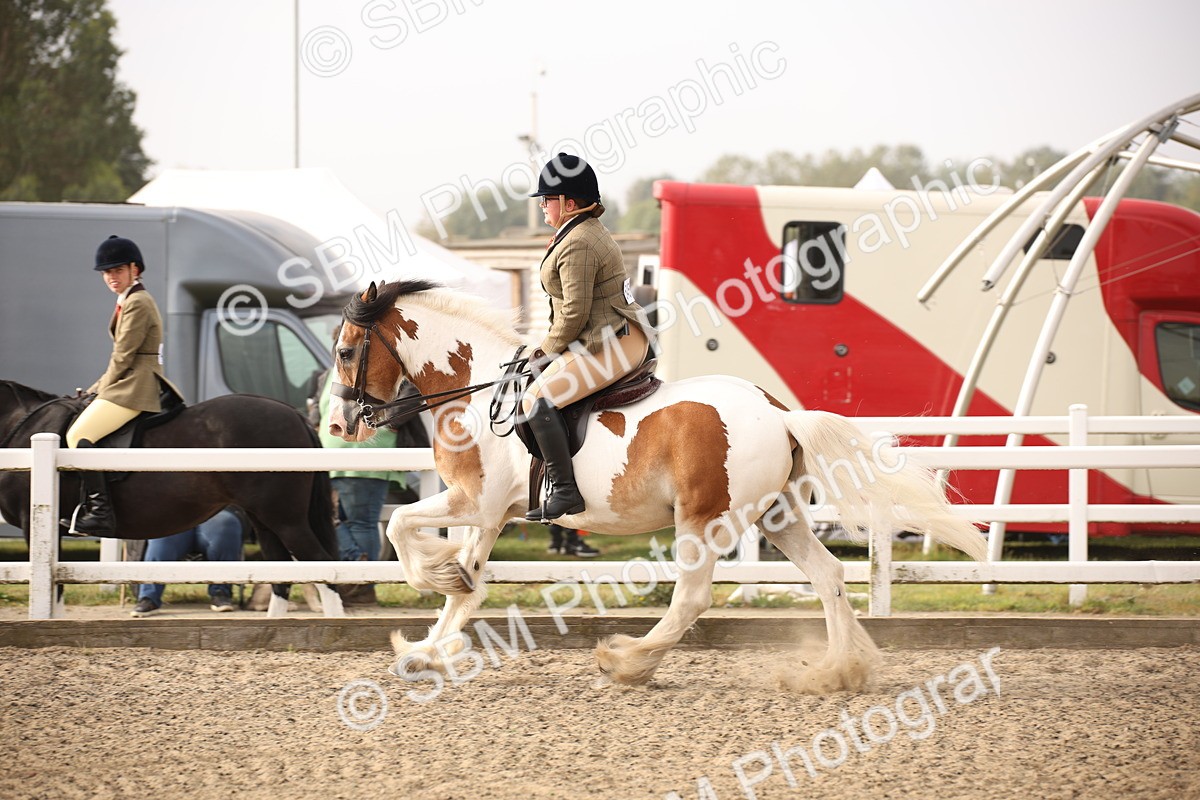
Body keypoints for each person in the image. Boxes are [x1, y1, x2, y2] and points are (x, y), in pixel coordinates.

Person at [523, 153, 654, 521]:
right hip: (599, 337)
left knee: (537, 400)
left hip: (613, 342)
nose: (543, 206)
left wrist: (544, 350)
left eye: (547, 199)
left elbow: (574, 311)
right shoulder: (575, 232)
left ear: (569, 202)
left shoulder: (579, 241)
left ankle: (566, 492)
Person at [61, 235, 181, 536]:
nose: (111, 277)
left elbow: (123, 357)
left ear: (134, 269)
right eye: (106, 272)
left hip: (136, 384)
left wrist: (97, 390)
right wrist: (93, 389)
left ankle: (100, 512)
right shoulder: (128, 299)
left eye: (117, 270)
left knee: (79, 434)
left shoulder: (138, 302)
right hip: (129, 378)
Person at [316, 365, 415, 606]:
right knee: (356, 522)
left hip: (331, 453)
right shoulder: (391, 371)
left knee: (332, 519)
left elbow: (315, 414)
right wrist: (387, 421)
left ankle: (357, 580)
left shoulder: (327, 375)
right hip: (364, 453)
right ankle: (361, 581)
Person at [130, 507, 244, 617]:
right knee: (161, 527)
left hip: (216, 509)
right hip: (174, 512)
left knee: (225, 523)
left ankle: (221, 592)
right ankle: (149, 597)